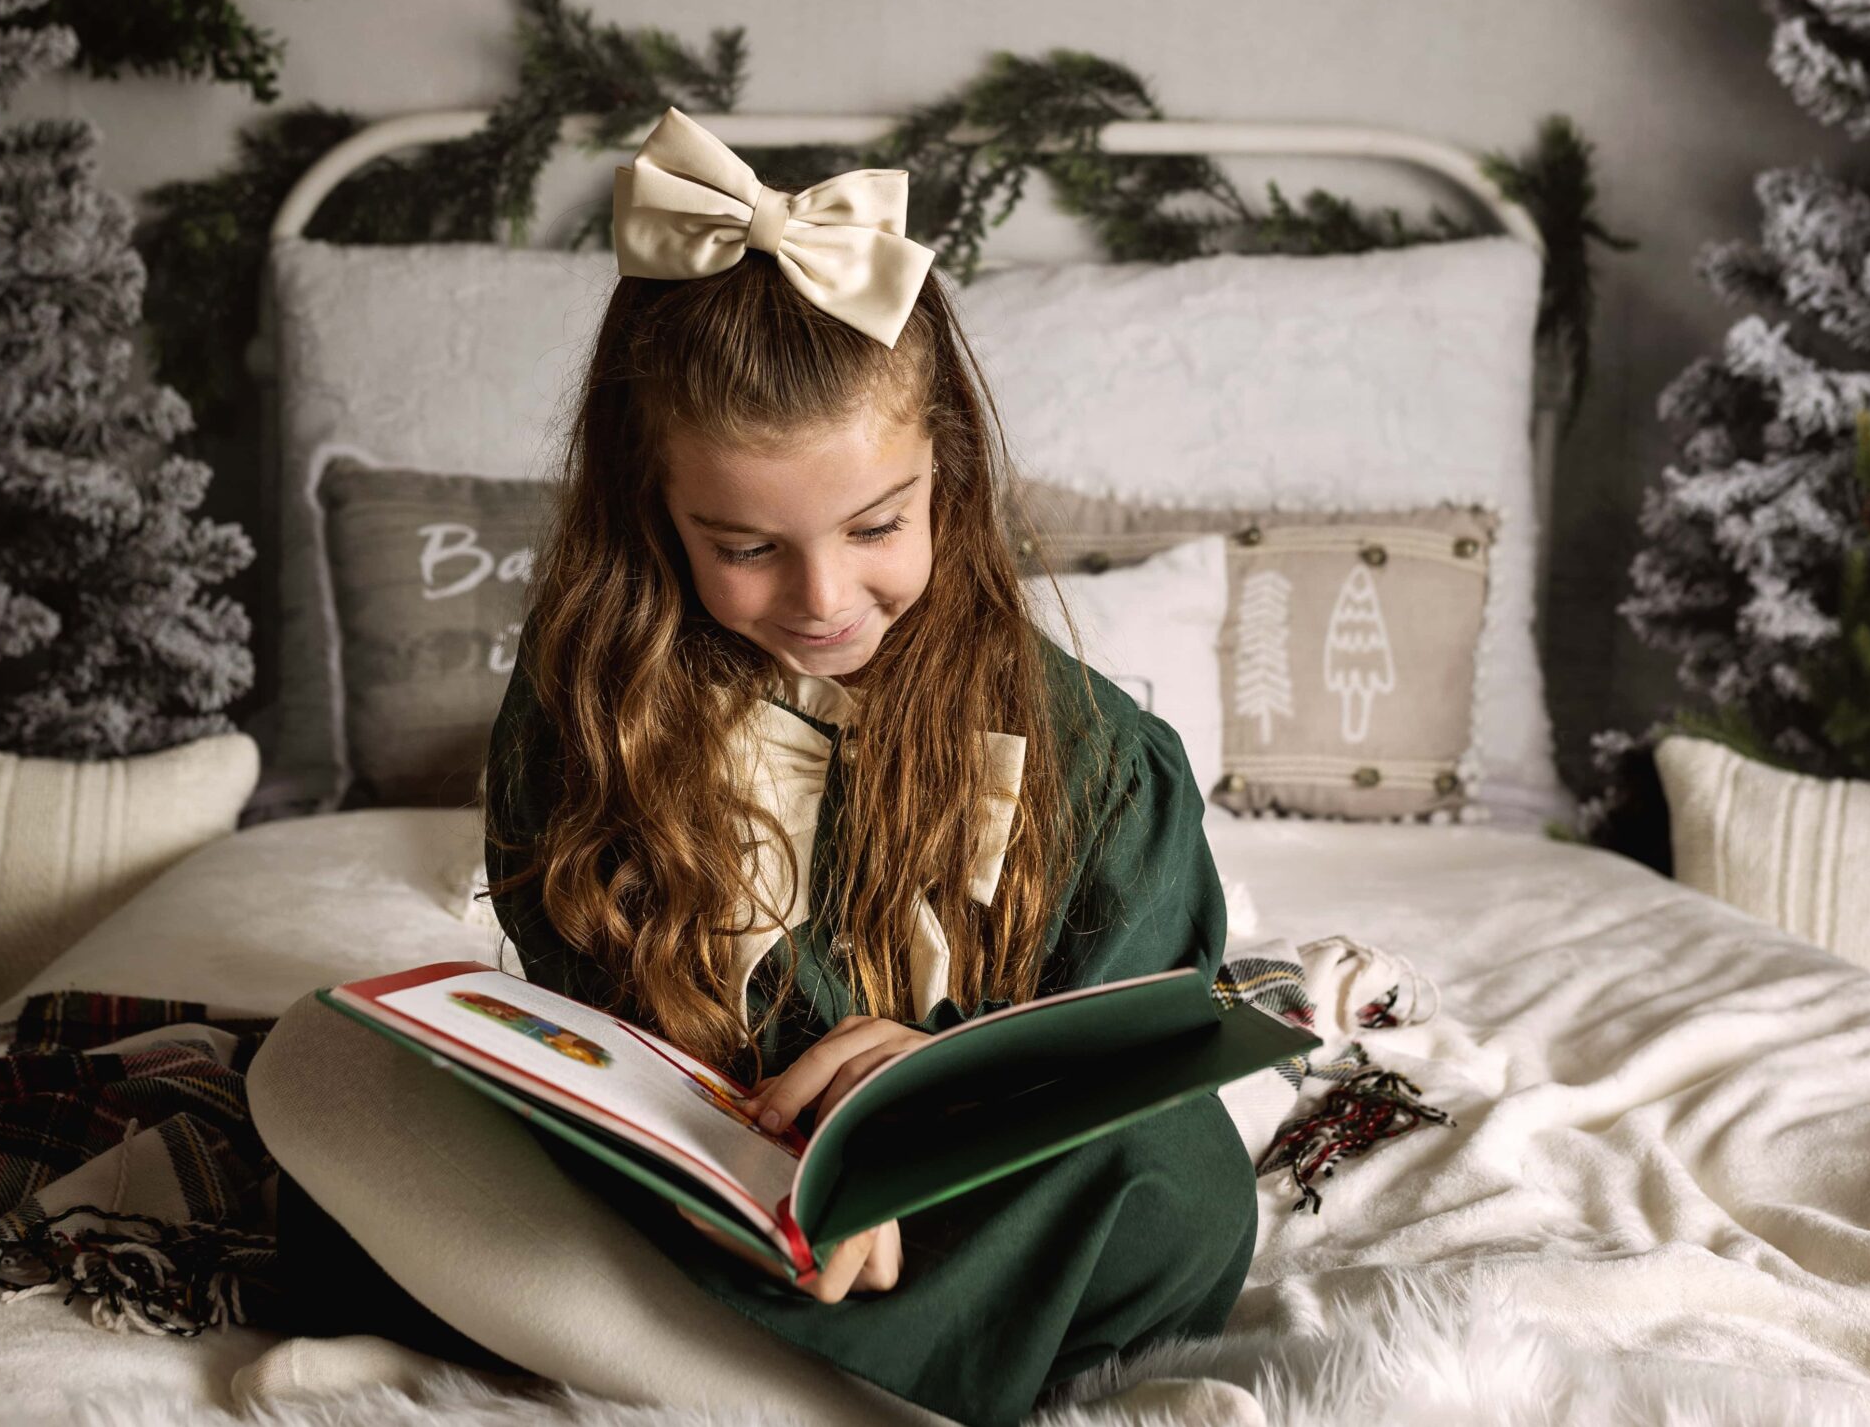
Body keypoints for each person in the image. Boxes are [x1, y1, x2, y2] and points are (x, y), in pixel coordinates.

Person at [246, 108, 1257, 1427]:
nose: (824, 597)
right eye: (746, 546)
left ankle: (593, 1360)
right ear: (652, 509)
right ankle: (809, 1399)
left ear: (947, 471)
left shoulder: (1100, 762)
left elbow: (1122, 1048)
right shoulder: (582, 715)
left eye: (878, 525)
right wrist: (725, 1134)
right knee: (318, 1067)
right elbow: (581, 1021)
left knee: (1182, 1172)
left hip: (970, 1230)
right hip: (687, 1197)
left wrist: (929, 1103)